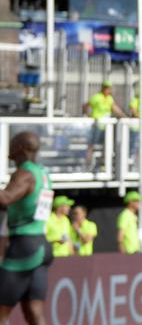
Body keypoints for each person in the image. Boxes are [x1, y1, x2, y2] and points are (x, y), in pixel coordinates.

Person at [0, 132, 54, 325]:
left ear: (20, 149)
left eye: (12, 146)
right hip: (40, 244)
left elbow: (6, 198)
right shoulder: (44, 173)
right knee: (34, 312)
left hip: (24, 246)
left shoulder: (25, 173)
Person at [84, 82, 125, 168]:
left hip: (106, 127)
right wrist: (88, 115)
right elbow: (86, 106)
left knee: (106, 145)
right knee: (91, 145)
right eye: (107, 88)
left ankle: (102, 164)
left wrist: (124, 116)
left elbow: (115, 109)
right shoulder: (97, 97)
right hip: (97, 126)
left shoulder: (110, 98)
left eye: (109, 88)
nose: (108, 90)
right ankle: (87, 164)